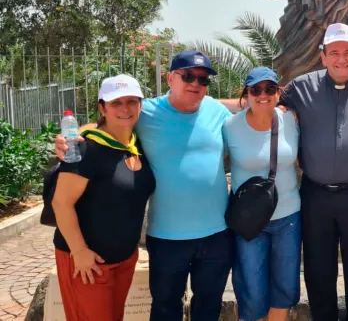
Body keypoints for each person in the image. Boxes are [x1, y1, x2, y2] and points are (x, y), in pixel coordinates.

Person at [56, 51, 234, 321]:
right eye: (188, 76)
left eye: (203, 79)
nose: (196, 83)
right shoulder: (146, 112)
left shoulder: (216, 111)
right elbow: (111, 122)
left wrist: (282, 107)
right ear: (170, 78)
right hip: (167, 237)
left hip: (216, 234)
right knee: (165, 308)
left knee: (209, 307)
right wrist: (73, 135)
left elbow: (250, 111)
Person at [266, 22, 348, 320]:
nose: (341, 59)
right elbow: (264, 104)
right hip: (316, 196)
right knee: (317, 268)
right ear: (323, 57)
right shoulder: (301, 87)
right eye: (334, 53)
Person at [52, 75, 155, 321]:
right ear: (102, 108)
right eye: (116, 102)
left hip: (124, 259)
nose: (125, 108)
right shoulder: (85, 148)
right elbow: (61, 203)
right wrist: (79, 251)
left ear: (140, 105)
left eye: (131, 101)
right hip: (87, 261)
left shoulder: (137, 144)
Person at [223, 67, 301, 321]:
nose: (263, 95)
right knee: (252, 291)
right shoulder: (230, 126)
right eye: (255, 90)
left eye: (269, 89)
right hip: (249, 221)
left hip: (288, 217)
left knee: (284, 288)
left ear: (278, 92)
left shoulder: (291, 120)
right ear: (247, 94)